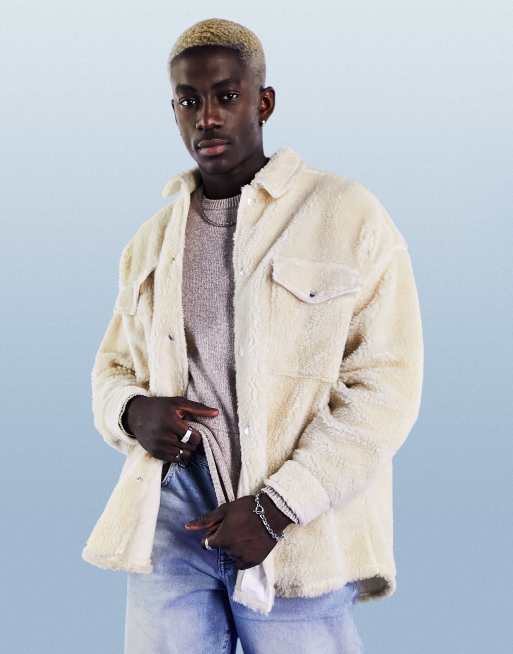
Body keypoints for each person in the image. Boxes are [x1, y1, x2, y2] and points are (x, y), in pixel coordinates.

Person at [82, 17, 424, 654]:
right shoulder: (151, 241)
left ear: (263, 102)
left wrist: (277, 507)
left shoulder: (346, 215)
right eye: (188, 101)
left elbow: (387, 388)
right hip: (171, 514)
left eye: (226, 96)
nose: (207, 117)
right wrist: (130, 412)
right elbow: (111, 369)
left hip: (297, 522)